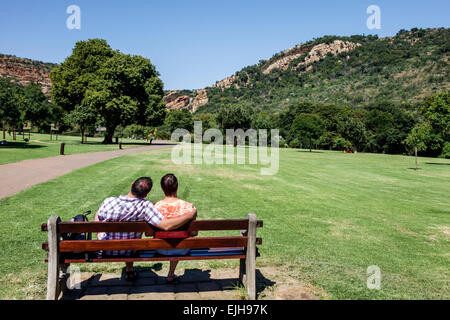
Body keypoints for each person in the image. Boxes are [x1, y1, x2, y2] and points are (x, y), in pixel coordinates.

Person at [94, 177, 196, 281]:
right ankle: (130, 270)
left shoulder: (109, 201)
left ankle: (129, 270)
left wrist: (99, 230)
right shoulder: (145, 206)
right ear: (146, 194)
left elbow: (98, 219)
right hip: (130, 250)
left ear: (132, 184)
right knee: (130, 239)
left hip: (106, 248)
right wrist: (189, 215)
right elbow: (166, 225)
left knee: (97, 214)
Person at [155, 173, 197, 283]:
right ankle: (171, 272)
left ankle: (171, 273)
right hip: (182, 248)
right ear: (177, 187)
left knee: (173, 239)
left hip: (159, 248)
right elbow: (194, 233)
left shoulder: (155, 207)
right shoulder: (189, 207)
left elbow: (149, 234)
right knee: (179, 239)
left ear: (162, 188)